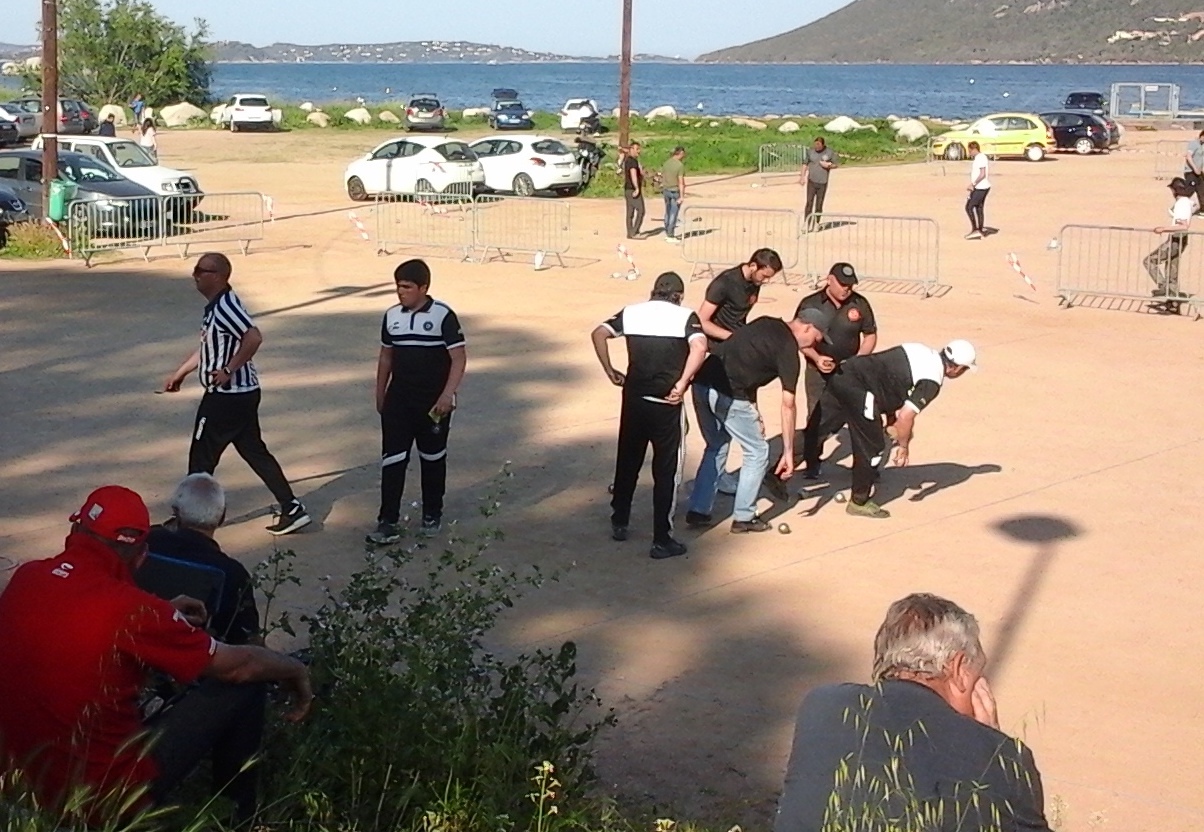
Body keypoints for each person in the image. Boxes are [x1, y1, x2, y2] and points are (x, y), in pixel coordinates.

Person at [0, 486, 312, 822]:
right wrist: (294, 668)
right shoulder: (135, 613)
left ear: (75, 531)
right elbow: (241, 667)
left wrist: (161, 614)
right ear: (141, 555)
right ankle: (238, 817)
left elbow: (76, 619)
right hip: (106, 803)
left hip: (22, 785)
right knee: (247, 683)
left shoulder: (27, 577)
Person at [774, 593, 1051, 832]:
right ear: (958, 669)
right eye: (979, 673)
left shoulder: (823, 705)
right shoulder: (1005, 759)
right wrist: (991, 746)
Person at [162, 252, 311, 536]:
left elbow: (254, 337)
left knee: (201, 457)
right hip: (242, 394)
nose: (194, 274)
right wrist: (180, 373)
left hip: (226, 396)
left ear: (218, 276)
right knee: (254, 451)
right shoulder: (217, 307)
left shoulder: (226, 307)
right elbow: (208, 349)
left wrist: (229, 369)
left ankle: (189, 521)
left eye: (201, 270)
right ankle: (292, 508)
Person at [591, 271, 708, 559]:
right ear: (678, 295)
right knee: (666, 470)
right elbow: (700, 346)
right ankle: (662, 538)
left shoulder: (631, 312)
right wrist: (682, 383)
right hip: (666, 402)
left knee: (628, 460)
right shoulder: (685, 317)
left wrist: (609, 370)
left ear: (654, 291)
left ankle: (620, 519)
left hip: (634, 397)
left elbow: (599, 333)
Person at [685, 309, 831, 533]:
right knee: (757, 451)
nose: (816, 343)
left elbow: (745, 362)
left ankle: (698, 510)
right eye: (817, 337)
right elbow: (788, 405)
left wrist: (753, 409)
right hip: (728, 394)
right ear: (807, 327)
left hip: (702, 384)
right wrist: (788, 453)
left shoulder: (765, 321)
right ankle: (744, 517)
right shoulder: (788, 352)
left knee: (716, 445)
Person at [811, 340, 977, 519]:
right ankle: (859, 502)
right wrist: (903, 446)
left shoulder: (918, 349)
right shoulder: (932, 381)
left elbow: (887, 377)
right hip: (860, 391)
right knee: (873, 447)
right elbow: (906, 416)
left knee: (816, 431)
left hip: (843, 373)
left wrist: (890, 417)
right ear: (957, 369)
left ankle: (779, 473)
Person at [368, 258, 467, 545]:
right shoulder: (391, 317)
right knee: (393, 460)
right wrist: (380, 393)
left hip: (433, 403)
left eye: (407, 287)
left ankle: (432, 514)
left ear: (423, 288)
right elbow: (386, 356)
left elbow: (458, 358)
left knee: (433, 459)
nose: (401, 292)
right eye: (398, 287)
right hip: (399, 401)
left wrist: (448, 394)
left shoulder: (443, 316)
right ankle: (387, 522)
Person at [693, 248, 784, 499]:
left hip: (738, 355)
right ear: (753, 266)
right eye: (764, 276)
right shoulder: (724, 283)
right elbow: (702, 320)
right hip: (716, 355)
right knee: (721, 430)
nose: (764, 282)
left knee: (731, 423)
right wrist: (734, 338)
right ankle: (714, 479)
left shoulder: (754, 285)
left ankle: (716, 477)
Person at [146, 473, 260, 645]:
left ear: (176, 512)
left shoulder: (148, 541)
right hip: (203, 658)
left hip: (145, 642)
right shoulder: (232, 572)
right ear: (222, 517)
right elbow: (248, 639)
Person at [794, 262, 878, 480]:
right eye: (842, 284)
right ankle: (812, 462)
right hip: (817, 371)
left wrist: (859, 361)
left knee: (859, 418)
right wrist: (816, 357)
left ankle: (866, 466)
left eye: (850, 285)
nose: (846, 289)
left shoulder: (860, 304)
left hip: (850, 372)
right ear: (829, 279)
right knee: (816, 417)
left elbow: (870, 335)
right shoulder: (810, 304)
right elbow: (799, 338)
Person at [1144, 176, 1194, 311]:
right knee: (1171, 270)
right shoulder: (1186, 202)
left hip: (1176, 238)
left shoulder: (1182, 203)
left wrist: (1163, 229)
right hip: (1180, 239)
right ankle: (1173, 303)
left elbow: (1184, 226)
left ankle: (1163, 287)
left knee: (1150, 261)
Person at [800, 136, 838, 228]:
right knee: (809, 202)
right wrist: (802, 176)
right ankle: (807, 222)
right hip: (812, 181)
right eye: (815, 144)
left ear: (823, 145)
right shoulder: (810, 152)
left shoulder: (829, 152)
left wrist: (829, 166)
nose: (817, 147)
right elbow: (805, 164)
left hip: (823, 182)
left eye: (819, 145)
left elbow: (835, 164)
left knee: (819, 204)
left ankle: (817, 222)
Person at [965, 141, 990, 240]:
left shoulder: (980, 158)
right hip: (980, 187)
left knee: (969, 207)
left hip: (981, 187)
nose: (969, 153)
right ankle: (980, 229)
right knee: (979, 208)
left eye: (970, 151)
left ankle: (976, 230)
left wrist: (973, 184)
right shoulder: (979, 158)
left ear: (973, 149)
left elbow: (982, 174)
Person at [661, 145, 686, 242]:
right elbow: (681, 181)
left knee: (667, 211)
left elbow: (663, 176)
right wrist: (682, 196)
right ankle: (670, 234)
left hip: (666, 189)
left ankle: (667, 230)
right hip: (675, 191)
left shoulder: (666, 163)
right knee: (673, 213)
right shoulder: (680, 165)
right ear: (681, 153)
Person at [623, 141, 645, 239]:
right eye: (637, 149)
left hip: (627, 189)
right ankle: (634, 231)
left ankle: (630, 232)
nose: (638, 151)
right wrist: (637, 188)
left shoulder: (628, 160)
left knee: (630, 212)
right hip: (632, 189)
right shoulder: (632, 161)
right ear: (631, 149)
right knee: (641, 210)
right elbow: (633, 174)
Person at [1181, 128, 1204, 212]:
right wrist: (1195, 168)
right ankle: (1175, 207)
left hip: (1198, 173)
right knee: (1188, 191)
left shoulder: (1201, 146)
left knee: (1202, 190)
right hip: (1191, 172)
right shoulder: (1194, 144)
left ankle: (1203, 210)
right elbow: (1189, 156)